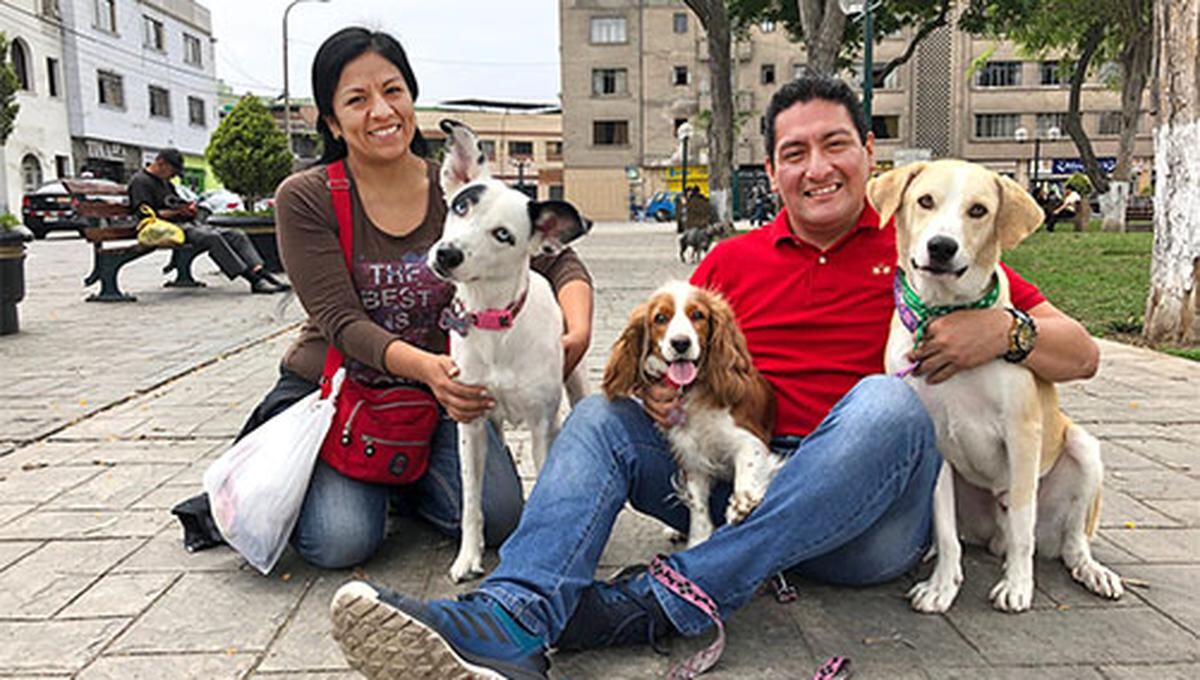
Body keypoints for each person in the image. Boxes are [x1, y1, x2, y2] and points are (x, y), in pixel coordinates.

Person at [328, 76, 1100, 679]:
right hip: (731, 477)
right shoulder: (729, 262)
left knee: (889, 405)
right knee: (597, 417)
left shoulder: (928, 249)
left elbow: (1083, 354)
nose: (818, 167)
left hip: (860, 519)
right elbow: (669, 358)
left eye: (836, 145)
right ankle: (516, 615)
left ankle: (652, 602)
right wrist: (660, 391)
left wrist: (1007, 330)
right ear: (772, 169)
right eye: (794, 153)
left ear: (870, 156)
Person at [173, 28, 594, 568]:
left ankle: (405, 478)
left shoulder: (464, 195)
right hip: (344, 392)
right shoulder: (307, 196)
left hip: (440, 400)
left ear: (411, 97)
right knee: (340, 542)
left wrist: (575, 336)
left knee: (502, 517)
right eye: (356, 99)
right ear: (330, 120)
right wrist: (431, 370)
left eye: (393, 91)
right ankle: (360, 481)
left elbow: (558, 259)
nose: (381, 111)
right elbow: (339, 321)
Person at [127, 149, 289, 294]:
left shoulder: (165, 182)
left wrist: (188, 209)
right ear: (161, 163)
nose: (174, 176)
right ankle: (253, 280)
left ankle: (261, 272)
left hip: (184, 224)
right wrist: (176, 213)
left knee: (235, 234)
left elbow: (176, 202)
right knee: (212, 238)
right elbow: (146, 215)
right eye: (173, 171)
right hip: (163, 228)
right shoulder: (140, 182)